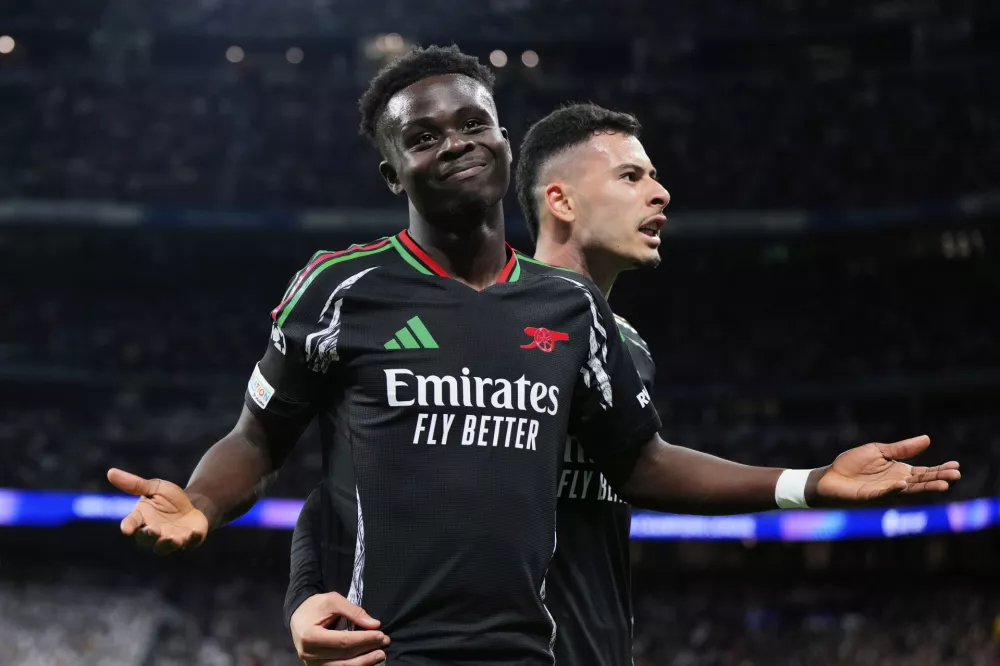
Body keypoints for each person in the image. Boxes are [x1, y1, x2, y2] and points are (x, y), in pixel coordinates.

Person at [107, 46, 960, 666]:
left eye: (473, 122)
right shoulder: (341, 286)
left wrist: (810, 482)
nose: (455, 141)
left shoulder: (570, 309)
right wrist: (202, 504)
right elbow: (263, 440)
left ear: (505, 142)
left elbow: (641, 461)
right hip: (381, 652)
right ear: (392, 173)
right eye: (423, 136)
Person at [286, 103, 662, 666]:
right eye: (631, 176)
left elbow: (643, 479)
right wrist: (302, 598)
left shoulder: (627, 346)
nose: (659, 194)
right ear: (560, 200)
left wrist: (793, 483)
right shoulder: (467, 323)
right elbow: (340, 488)